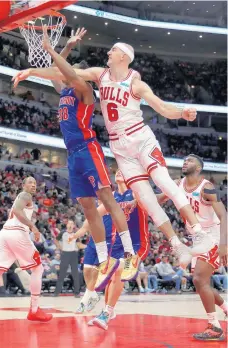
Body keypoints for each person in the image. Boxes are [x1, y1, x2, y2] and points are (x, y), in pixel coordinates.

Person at [13, 36, 214, 267]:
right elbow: (63, 74)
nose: (107, 53)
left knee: (164, 182)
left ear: (123, 57)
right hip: (119, 145)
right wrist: (31, 71)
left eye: (112, 50)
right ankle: (177, 245)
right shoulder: (100, 75)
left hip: (140, 138)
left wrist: (181, 113)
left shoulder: (136, 83)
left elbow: (161, 107)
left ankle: (198, 232)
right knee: (147, 200)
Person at [13, 28, 139, 288]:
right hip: (73, 156)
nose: (63, 76)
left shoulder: (84, 90)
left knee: (106, 197)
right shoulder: (64, 91)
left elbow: (64, 72)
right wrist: (63, 50)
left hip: (88, 149)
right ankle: (104, 258)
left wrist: (50, 51)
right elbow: (56, 73)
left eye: (68, 72)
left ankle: (129, 253)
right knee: (87, 206)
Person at [158, 154, 227, 341]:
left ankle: (215, 327)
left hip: (211, 236)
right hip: (197, 239)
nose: (185, 162)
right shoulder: (177, 184)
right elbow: (159, 199)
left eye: (190, 160)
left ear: (198, 168)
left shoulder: (207, 188)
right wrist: (138, 197)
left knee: (198, 279)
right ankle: (226, 309)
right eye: (185, 160)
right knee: (200, 282)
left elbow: (224, 215)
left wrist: (224, 244)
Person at [70, 170, 150, 326]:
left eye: (123, 170)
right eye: (118, 170)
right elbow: (95, 213)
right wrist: (81, 230)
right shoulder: (113, 198)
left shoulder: (135, 192)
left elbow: (151, 200)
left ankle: (106, 313)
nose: (120, 171)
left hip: (136, 243)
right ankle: (108, 311)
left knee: (119, 273)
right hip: (118, 244)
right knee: (112, 277)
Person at [0, 177, 52, 325]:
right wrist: (33, 227)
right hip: (17, 233)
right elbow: (16, 210)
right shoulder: (24, 195)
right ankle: (34, 310)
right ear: (23, 185)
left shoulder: (22, 197)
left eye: (35, 183)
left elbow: (16, 210)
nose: (33, 185)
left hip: (5, 234)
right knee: (38, 269)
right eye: (30, 182)